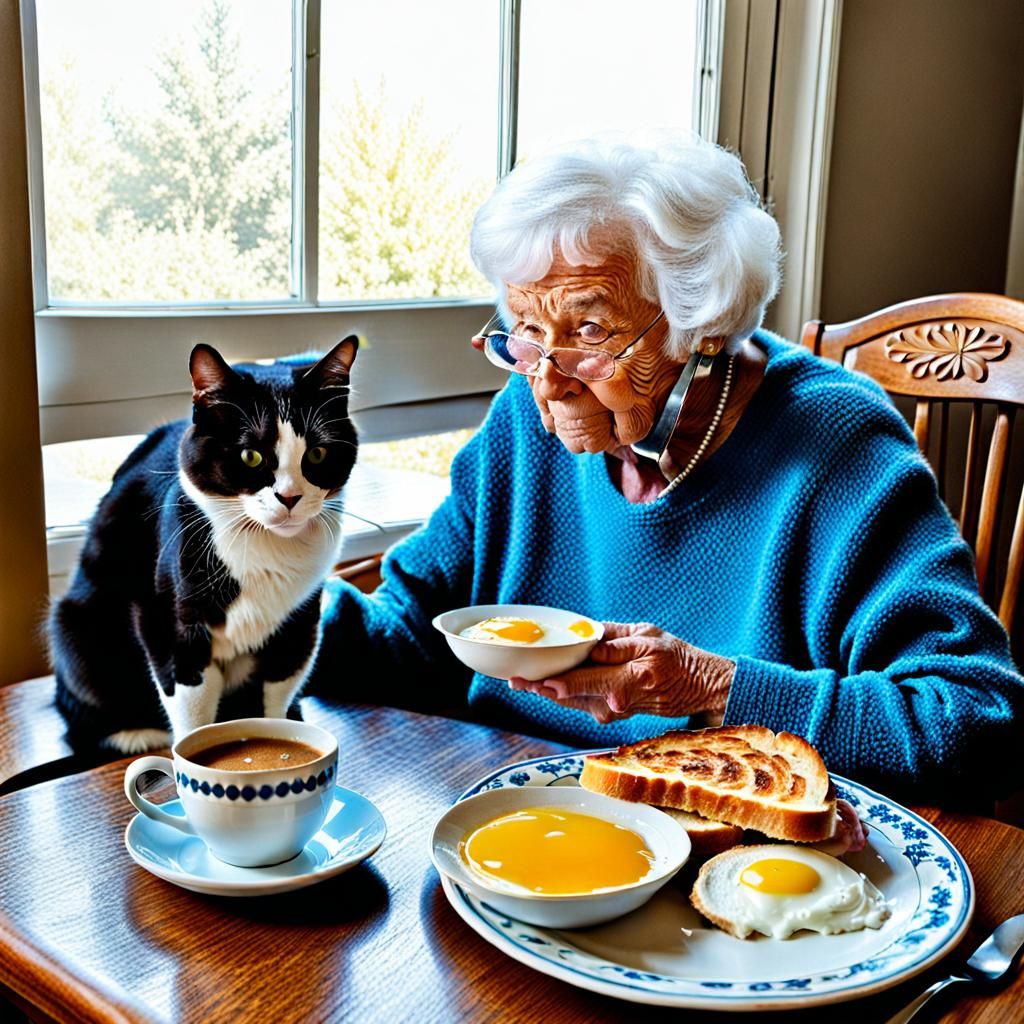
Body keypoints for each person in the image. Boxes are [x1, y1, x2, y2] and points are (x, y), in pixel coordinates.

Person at [309, 134, 1023, 815]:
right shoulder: (524, 421)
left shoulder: (839, 446)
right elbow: (408, 635)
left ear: (700, 329)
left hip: (729, 851)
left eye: (590, 331)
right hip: (512, 817)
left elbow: (977, 722)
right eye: (525, 329)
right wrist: (263, 594)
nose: (547, 382)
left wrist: (713, 687)